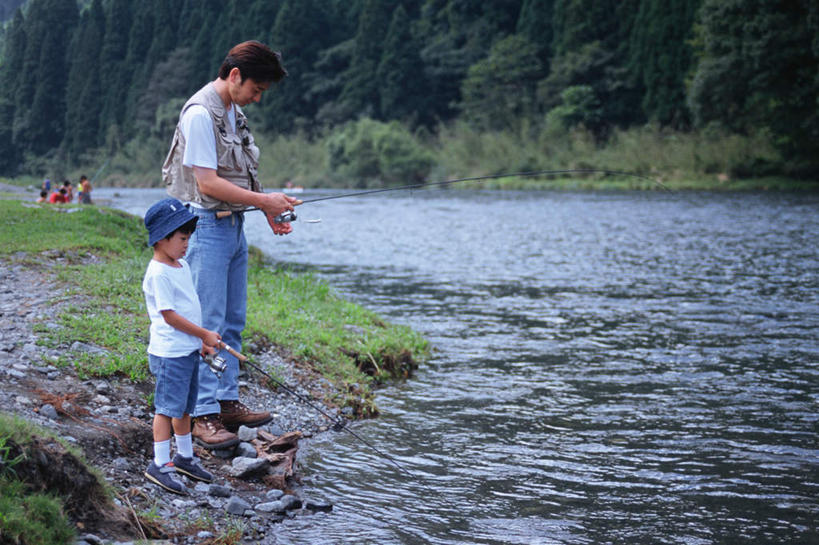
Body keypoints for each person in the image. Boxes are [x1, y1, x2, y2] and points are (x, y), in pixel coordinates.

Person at [162, 40, 301, 449]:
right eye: (256, 89)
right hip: (205, 226)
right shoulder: (201, 114)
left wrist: (267, 209)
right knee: (210, 324)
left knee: (233, 321)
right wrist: (265, 201)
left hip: (233, 224)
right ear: (235, 75)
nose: (258, 98)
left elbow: (238, 177)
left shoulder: (233, 111)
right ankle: (202, 416)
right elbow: (207, 183)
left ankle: (225, 402)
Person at [142, 197, 222, 495]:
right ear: (162, 239)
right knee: (166, 408)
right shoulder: (159, 273)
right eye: (182, 238)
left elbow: (189, 308)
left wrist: (199, 341)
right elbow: (171, 316)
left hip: (186, 350)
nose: (187, 244)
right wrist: (204, 333)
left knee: (185, 407)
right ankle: (160, 464)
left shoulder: (181, 265)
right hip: (169, 353)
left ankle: (184, 457)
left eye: (189, 238)